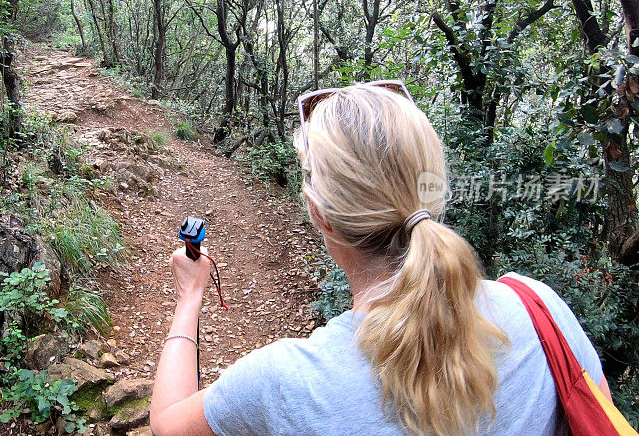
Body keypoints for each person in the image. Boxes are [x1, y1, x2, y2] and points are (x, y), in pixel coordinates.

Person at [149, 83, 611, 436]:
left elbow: (168, 425)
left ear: (319, 215)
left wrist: (190, 295)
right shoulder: (541, 310)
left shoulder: (283, 383)